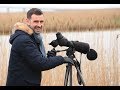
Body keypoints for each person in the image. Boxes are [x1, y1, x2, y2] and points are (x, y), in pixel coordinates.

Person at [6, 8, 74, 86]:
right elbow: (40, 64)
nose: (39, 25)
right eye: (36, 21)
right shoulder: (24, 40)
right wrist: (62, 59)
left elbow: (36, 61)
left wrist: (50, 57)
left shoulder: (32, 37)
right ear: (27, 21)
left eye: (41, 21)